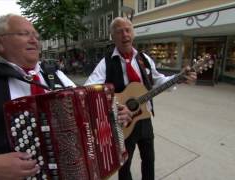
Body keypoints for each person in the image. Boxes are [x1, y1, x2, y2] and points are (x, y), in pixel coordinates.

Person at [0, 14, 132, 180]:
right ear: (0, 43)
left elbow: (87, 112)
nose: (34, 40)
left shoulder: (56, 75)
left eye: (36, 36)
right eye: (24, 34)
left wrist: (114, 113)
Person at [84, 17, 197, 180]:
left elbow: (159, 81)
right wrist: (115, 106)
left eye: (128, 30)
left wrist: (179, 77)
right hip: (123, 123)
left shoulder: (144, 59)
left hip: (145, 119)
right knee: (124, 165)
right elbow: (89, 91)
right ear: (112, 37)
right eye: (119, 31)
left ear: (133, 33)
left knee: (149, 160)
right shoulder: (105, 63)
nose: (124, 35)